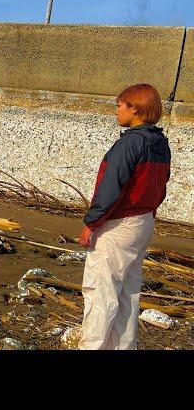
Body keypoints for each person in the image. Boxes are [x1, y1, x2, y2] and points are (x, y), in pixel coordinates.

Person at [77, 83, 171, 350]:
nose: (117, 110)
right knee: (128, 293)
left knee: (101, 292)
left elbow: (111, 188)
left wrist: (90, 223)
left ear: (135, 108)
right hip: (144, 221)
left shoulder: (131, 142)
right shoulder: (160, 143)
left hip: (120, 224)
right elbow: (161, 185)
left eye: (120, 105)